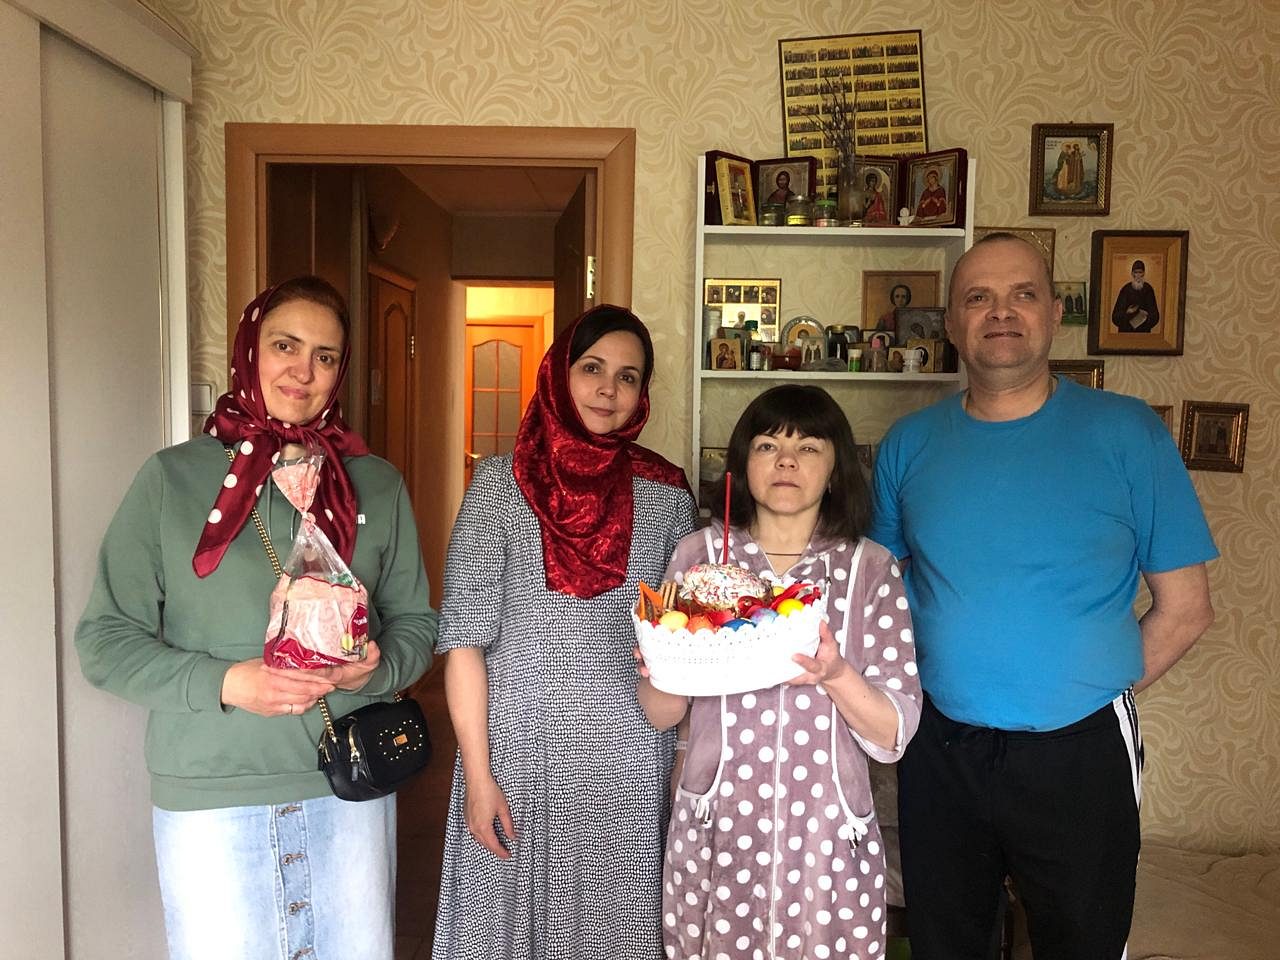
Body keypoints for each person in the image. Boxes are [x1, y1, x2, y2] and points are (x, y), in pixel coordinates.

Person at [870, 233, 1217, 959]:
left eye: (1022, 294)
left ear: (1055, 313)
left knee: (1082, 944)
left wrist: (1083, 691)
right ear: (951, 322)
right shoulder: (908, 444)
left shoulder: (1129, 434)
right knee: (944, 944)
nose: (1001, 311)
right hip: (940, 748)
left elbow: (1186, 609)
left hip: (1080, 750)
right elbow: (880, 596)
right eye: (978, 297)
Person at [75, 276, 438, 959]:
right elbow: (105, 641)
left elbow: (417, 624)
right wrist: (227, 683)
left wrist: (375, 669)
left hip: (349, 790)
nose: (304, 371)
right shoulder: (171, 480)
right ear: (249, 351)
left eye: (326, 356)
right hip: (212, 795)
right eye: (285, 345)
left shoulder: (376, 484)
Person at [433, 305, 697, 960]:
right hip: (514, 750)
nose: (609, 389)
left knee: (617, 931)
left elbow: (684, 648)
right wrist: (477, 778)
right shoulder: (498, 487)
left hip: (629, 757)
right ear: (558, 374)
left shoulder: (667, 495)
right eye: (592, 369)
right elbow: (463, 644)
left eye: (628, 377)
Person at [638, 384, 922, 960]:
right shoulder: (699, 558)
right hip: (718, 824)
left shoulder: (870, 568)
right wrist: (662, 664)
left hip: (827, 834)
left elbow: (894, 732)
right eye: (768, 446)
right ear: (742, 466)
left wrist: (834, 672)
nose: (786, 461)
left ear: (836, 470)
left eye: (808, 447)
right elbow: (661, 714)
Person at [1112, 259, 1161, 333]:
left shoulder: (1148, 289)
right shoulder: (1125, 290)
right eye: (1136, 272)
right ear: (1132, 274)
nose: (1138, 275)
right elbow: (1115, 317)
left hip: (1143, 333)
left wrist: (1145, 315)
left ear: (1143, 273)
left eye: (1140, 272)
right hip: (1126, 333)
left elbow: (1155, 316)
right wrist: (1127, 312)